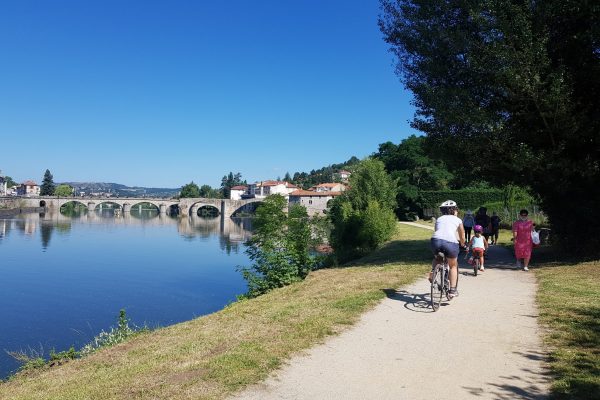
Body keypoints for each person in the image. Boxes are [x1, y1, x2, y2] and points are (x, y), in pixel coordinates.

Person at [430, 200, 466, 299]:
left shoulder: (439, 218)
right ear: (454, 210)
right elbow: (462, 235)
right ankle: (452, 290)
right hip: (450, 243)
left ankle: (433, 272)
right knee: (453, 265)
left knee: (437, 258)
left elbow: (437, 231)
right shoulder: (457, 220)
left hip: (435, 241)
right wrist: (463, 244)